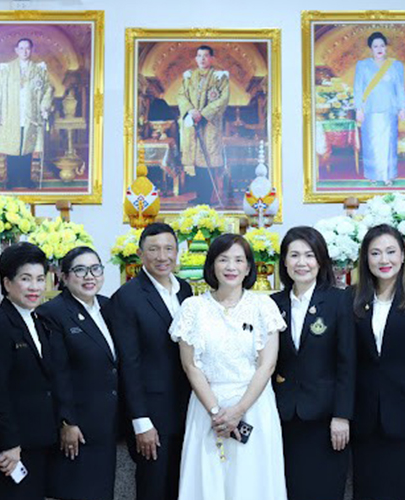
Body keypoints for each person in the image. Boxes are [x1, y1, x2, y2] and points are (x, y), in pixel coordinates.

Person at [170, 233, 287, 500]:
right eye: (223, 259)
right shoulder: (193, 308)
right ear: (212, 265)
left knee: (252, 482)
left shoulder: (263, 306)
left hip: (254, 406)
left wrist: (238, 411)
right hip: (207, 408)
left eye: (238, 260)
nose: (231, 267)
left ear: (248, 267)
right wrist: (216, 412)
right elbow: (190, 366)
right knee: (209, 480)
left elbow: (267, 365)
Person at [350, 224, 405, 500]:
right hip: (365, 419)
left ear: (404, 256)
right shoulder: (352, 299)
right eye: (375, 253)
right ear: (366, 258)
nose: (384, 260)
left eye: (391, 252)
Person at [269, 226, 355, 500]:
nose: (302, 263)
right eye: (294, 255)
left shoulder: (339, 301)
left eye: (309, 255)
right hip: (283, 415)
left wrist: (342, 415)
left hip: (325, 418)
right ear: (284, 261)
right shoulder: (273, 304)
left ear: (321, 260)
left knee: (323, 489)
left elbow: (347, 363)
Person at [110, 222, 193, 500]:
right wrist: (140, 421)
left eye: (169, 249)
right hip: (152, 416)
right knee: (153, 489)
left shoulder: (185, 290)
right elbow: (128, 363)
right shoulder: (127, 297)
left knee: (182, 487)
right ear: (140, 254)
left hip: (187, 409)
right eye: (154, 249)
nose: (162, 256)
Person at [36, 247, 119, 500]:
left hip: (107, 422)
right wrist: (67, 421)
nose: (89, 276)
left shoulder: (108, 306)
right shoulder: (53, 313)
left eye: (95, 269)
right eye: (80, 270)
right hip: (78, 426)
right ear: (64, 276)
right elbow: (57, 372)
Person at [0, 242, 56, 500]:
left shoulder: (37, 320)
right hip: (11, 449)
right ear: (7, 283)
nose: (35, 287)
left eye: (40, 279)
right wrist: (9, 443)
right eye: (25, 279)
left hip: (36, 440)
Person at [0, 37, 53, 190]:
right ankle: (12, 180)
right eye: (21, 48)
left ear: (31, 50)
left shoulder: (39, 69)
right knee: (13, 147)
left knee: (27, 147)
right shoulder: (7, 69)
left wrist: (44, 107)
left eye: (27, 48)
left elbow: (47, 89)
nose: (24, 51)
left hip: (30, 114)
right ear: (16, 50)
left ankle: (26, 180)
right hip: (11, 113)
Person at [177, 45, 230, 205]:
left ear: (211, 58)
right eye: (199, 56)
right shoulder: (189, 77)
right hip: (192, 123)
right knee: (196, 162)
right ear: (195, 58)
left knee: (208, 160)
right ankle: (200, 196)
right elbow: (181, 95)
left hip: (210, 125)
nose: (202, 59)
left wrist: (204, 114)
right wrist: (191, 111)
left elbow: (223, 99)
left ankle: (207, 198)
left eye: (206, 56)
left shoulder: (220, 77)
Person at [354, 31, 405, 186]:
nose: (379, 49)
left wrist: (402, 108)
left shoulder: (396, 65)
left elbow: (400, 88)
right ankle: (373, 175)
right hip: (370, 110)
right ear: (370, 48)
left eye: (382, 45)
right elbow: (358, 88)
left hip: (389, 109)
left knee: (388, 143)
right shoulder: (363, 65)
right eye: (375, 46)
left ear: (386, 47)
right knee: (371, 143)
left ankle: (388, 175)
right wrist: (358, 109)